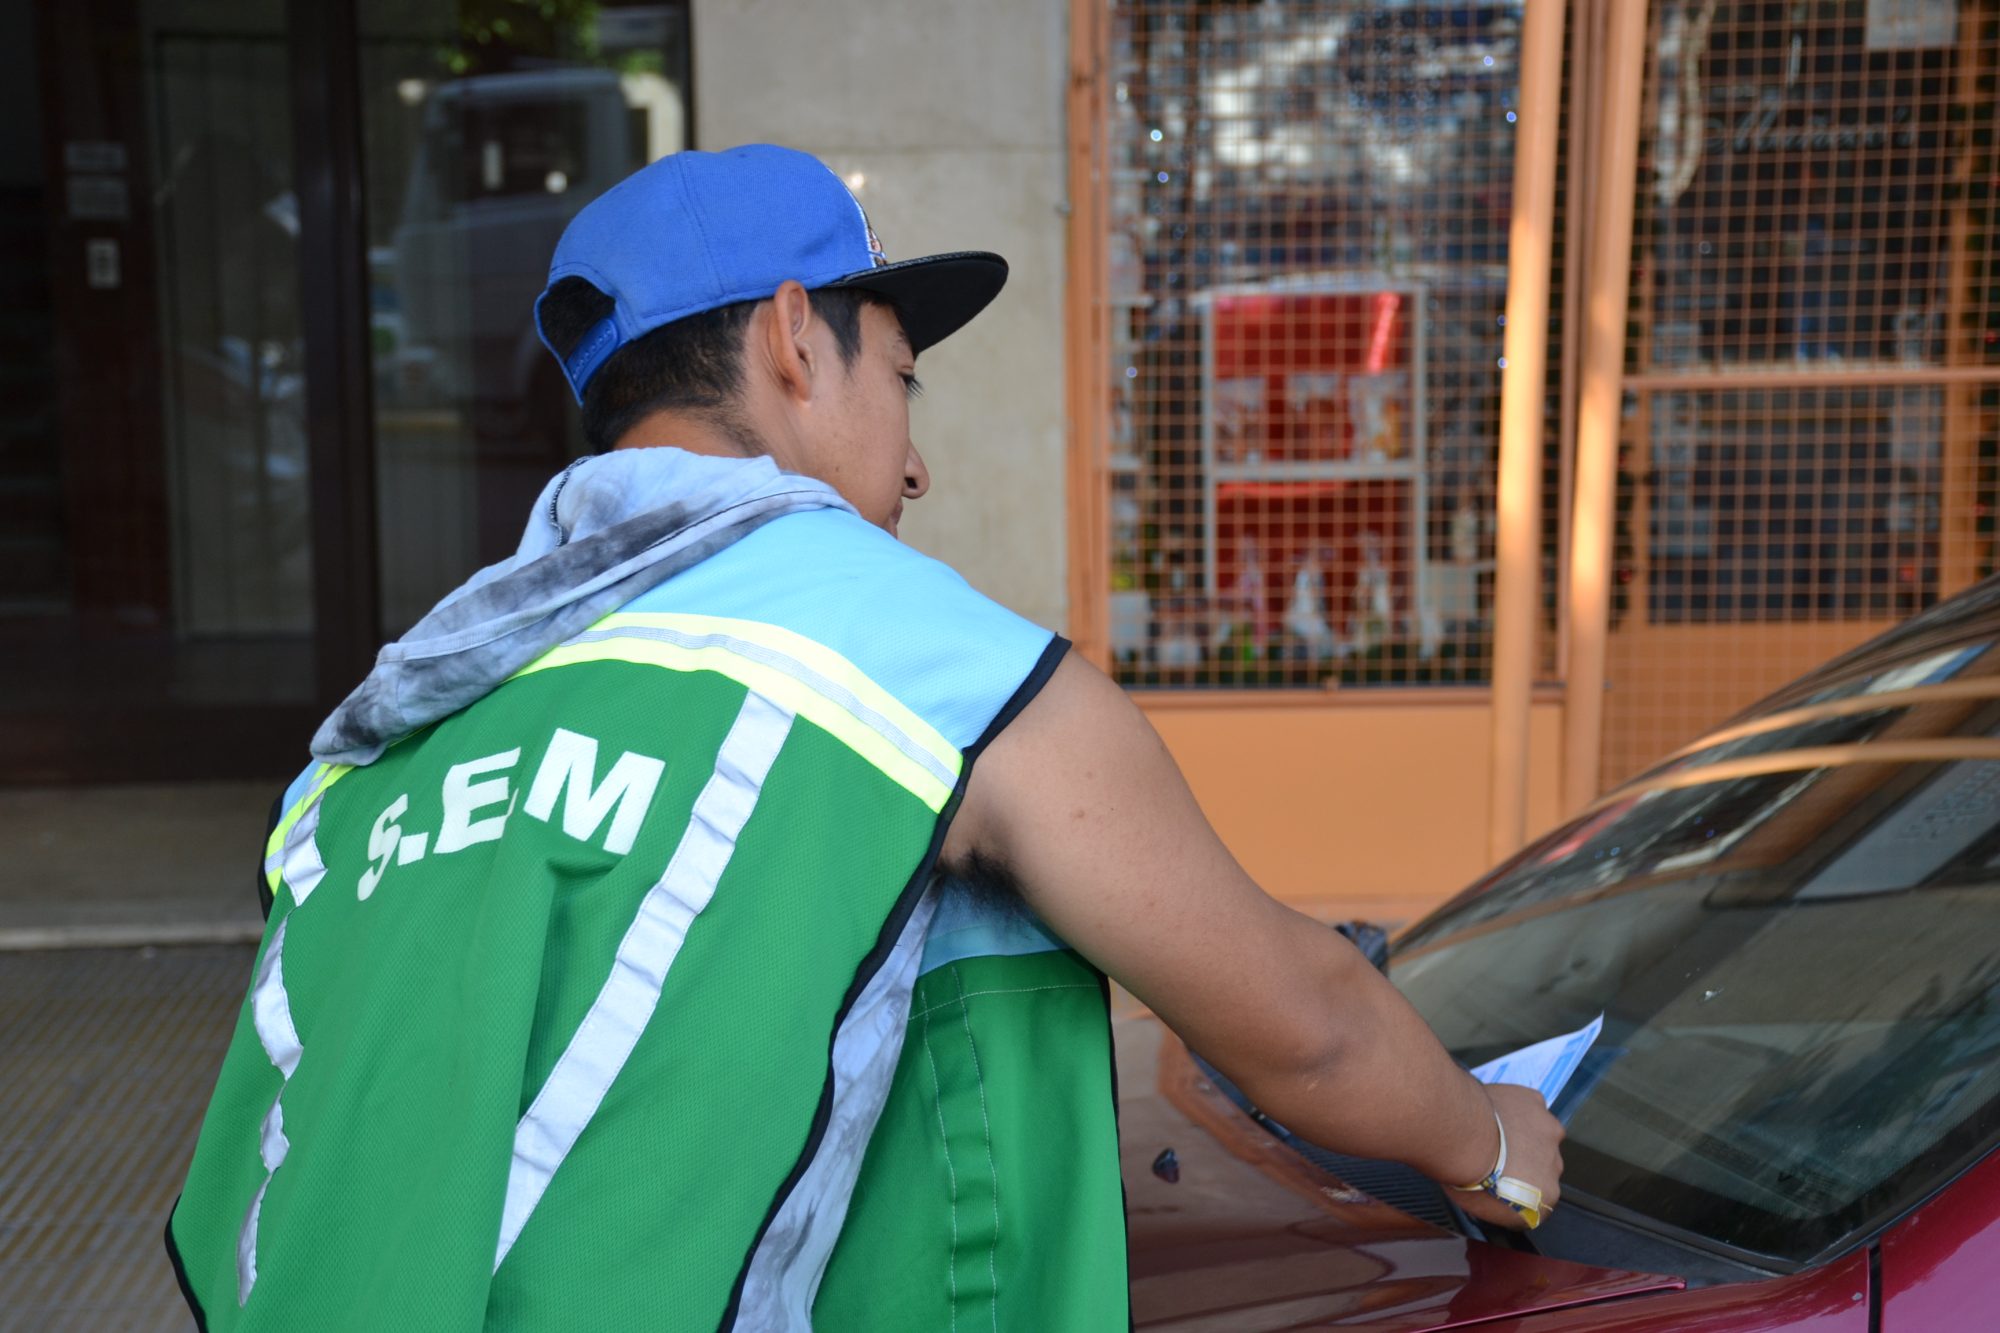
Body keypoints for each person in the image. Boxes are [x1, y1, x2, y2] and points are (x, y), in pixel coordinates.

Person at [169, 144, 1562, 1330]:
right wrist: (1492, 1139)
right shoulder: (913, 656)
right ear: (791, 337)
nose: (914, 462)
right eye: (901, 377)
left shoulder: (397, 729)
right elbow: (1303, 1026)